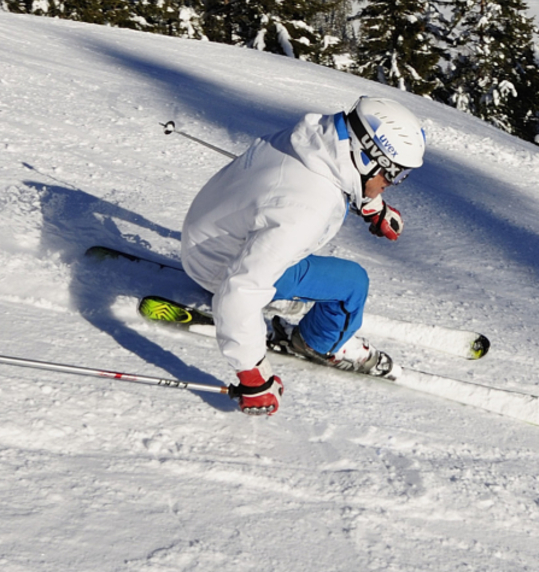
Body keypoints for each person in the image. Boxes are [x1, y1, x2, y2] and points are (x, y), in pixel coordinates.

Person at [173, 95, 425, 416]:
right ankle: (321, 343)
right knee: (352, 284)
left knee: (293, 261)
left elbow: (335, 171)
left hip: (206, 235)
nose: (392, 184)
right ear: (367, 158)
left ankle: (281, 294)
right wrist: (253, 378)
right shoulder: (307, 210)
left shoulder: (308, 140)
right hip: (221, 268)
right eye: (393, 175)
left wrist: (371, 205)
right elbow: (239, 292)